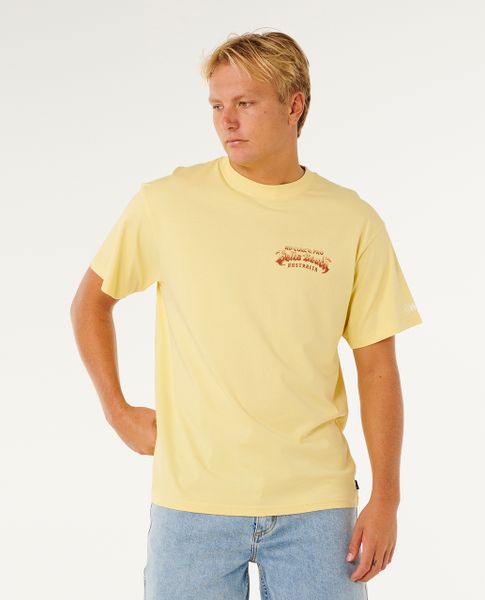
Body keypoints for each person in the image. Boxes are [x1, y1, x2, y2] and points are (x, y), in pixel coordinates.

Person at [70, 30, 423, 600]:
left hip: (316, 506)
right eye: (216, 106)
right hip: (193, 504)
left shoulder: (352, 220)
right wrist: (116, 410)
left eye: (244, 103)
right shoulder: (167, 202)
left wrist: (387, 498)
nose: (226, 121)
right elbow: (91, 302)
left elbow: (378, 367)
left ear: (294, 105)